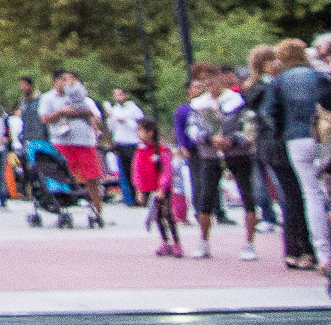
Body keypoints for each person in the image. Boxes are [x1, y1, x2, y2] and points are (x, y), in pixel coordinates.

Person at [244, 46, 316, 270]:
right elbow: (268, 114)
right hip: (277, 147)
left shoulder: (283, 83)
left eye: (277, 59)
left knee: (297, 196)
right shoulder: (261, 88)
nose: (277, 63)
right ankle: (299, 249)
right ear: (261, 65)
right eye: (271, 60)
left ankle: (298, 248)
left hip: (285, 143)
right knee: (293, 196)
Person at [185, 69, 260, 262]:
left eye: (213, 79)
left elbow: (250, 126)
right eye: (206, 81)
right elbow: (192, 128)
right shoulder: (198, 105)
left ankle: (250, 242)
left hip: (237, 153)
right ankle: (203, 240)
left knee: (247, 194)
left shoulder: (236, 101)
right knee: (206, 196)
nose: (210, 84)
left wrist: (234, 140)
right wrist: (209, 139)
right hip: (210, 155)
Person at [39, 69, 106, 219]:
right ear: (56, 81)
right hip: (62, 142)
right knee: (65, 176)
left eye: (71, 80)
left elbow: (95, 115)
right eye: (64, 80)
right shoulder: (48, 98)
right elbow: (44, 119)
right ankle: (63, 208)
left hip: (84, 143)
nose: (67, 83)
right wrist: (61, 113)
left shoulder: (81, 98)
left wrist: (79, 112)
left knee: (92, 177)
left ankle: (98, 210)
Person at [131, 119, 180, 256]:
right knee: (157, 216)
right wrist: (139, 189)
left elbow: (167, 171)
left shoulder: (161, 150)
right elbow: (137, 170)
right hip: (149, 188)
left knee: (168, 215)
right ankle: (165, 242)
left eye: (141, 130)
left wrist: (162, 188)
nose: (138, 134)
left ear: (150, 132)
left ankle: (176, 242)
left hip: (162, 189)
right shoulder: (140, 150)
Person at [105, 88, 146, 208]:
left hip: (132, 142)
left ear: (126, 95)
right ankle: (129, 198)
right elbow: (112, 127)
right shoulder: (115, 109)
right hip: (120, 142)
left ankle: (140, 197)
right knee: (124, 172)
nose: (118, 97)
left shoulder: (133, 109)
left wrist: (126, 121)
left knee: (135, 171)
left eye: (120, 94)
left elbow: (140, 125)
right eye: (115, 95)